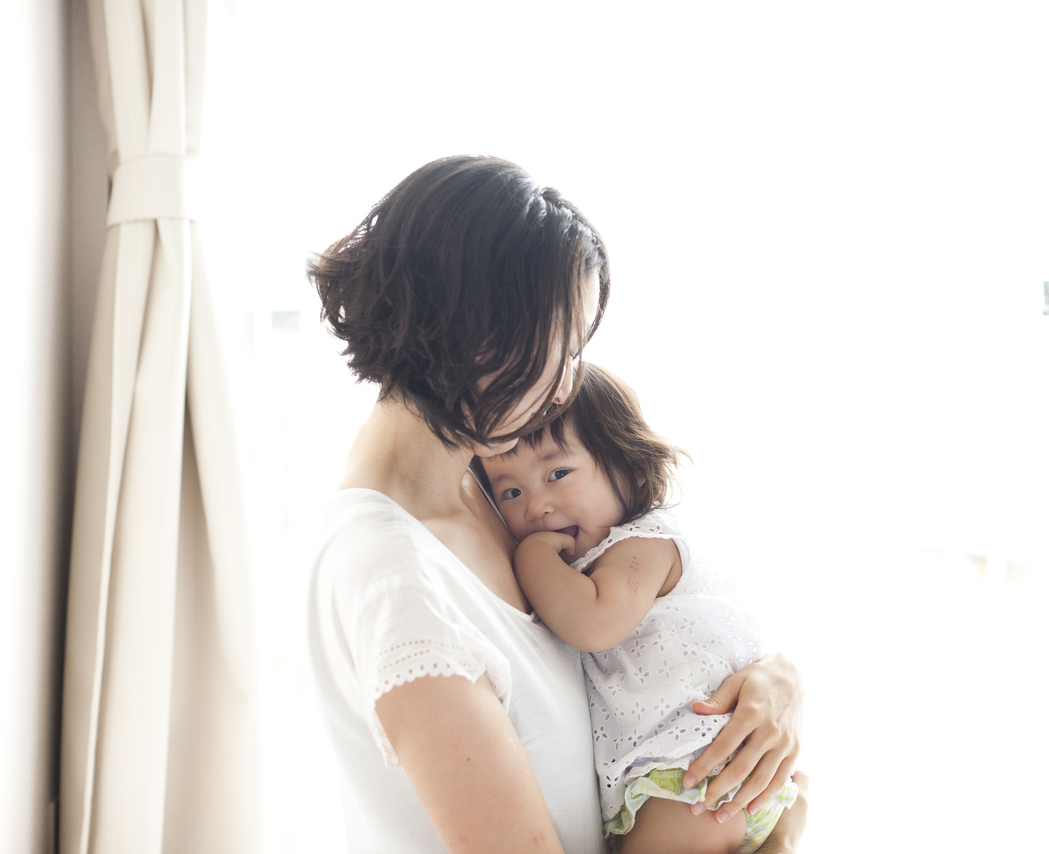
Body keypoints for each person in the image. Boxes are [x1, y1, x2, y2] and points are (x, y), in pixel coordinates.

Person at [306, 155, 807, 854]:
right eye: (564, 350)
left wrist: (772, 682)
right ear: (484, 335)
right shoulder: (397, 579)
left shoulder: (493, 489)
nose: (568, 387)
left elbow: (652, 634)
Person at [479, 364, 800, 854]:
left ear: (629, 467)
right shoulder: (591, 565)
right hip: (691, 778)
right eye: (511, 491)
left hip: (689, 776)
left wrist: (533, 557)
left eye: (558, 474)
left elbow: (593, 624)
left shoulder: (643, 543)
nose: (536, 506)